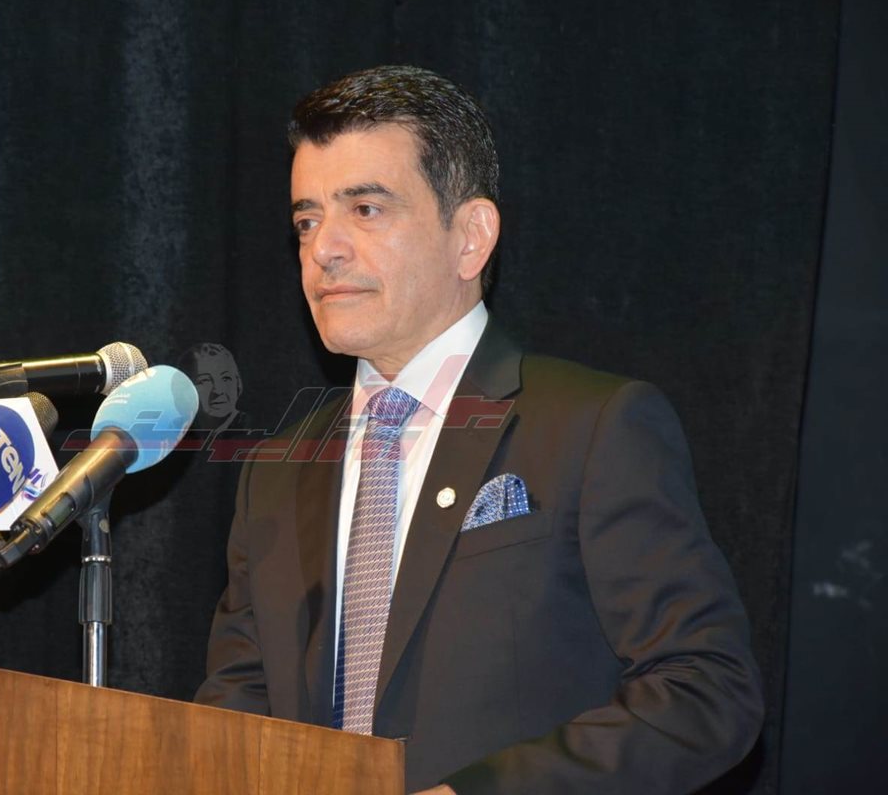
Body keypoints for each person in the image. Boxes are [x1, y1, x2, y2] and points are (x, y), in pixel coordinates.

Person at [195, 65, 763, 794]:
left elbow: (706, 690)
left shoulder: (590, 428)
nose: (323, 249)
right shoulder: (276, 469)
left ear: (470, 237)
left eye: (365, 209)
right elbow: (237, 712)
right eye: (307, 221)